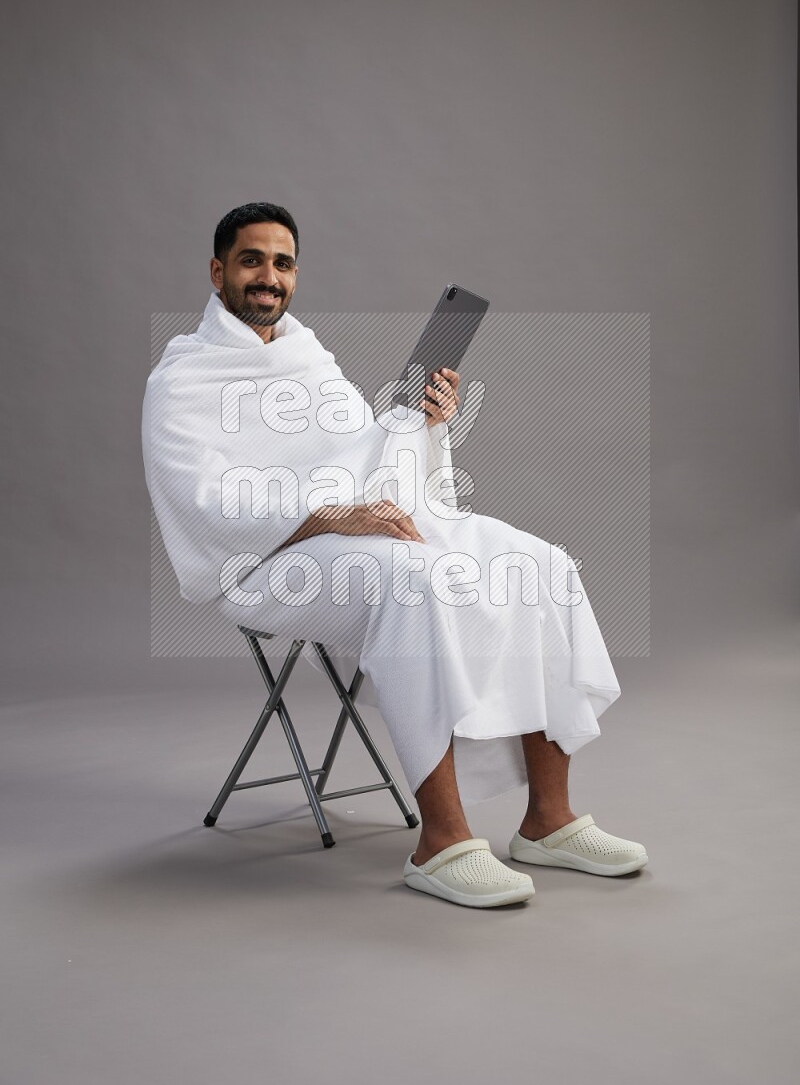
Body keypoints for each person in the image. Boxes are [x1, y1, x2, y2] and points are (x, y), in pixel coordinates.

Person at [142, 201, 648, 909]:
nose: (268, 277)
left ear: (295, 275)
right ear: (217, 270)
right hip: (263, 561)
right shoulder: (182, 379)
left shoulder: (308, 358)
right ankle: (441, 841)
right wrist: (324, 515)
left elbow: (366, 453)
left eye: (283, 263)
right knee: (415, 579)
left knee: (539, 564)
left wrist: (425, 422)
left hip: (349, 531)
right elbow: (200, 499)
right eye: (251, 260)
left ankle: (548, 821)